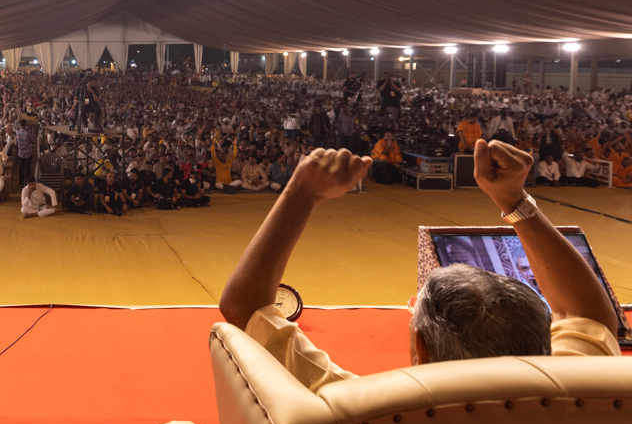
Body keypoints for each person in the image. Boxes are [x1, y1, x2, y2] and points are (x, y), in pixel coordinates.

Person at [217, 141, 619, 396]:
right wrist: (514, 199)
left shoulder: (358, 412)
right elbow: (585, 313)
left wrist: (300, 193)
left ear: (421, 350)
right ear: (542, 344)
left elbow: (243, 306)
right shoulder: (581, 396)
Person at [15, 118, 34, 186]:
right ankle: (28, 183)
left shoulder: (17, 132)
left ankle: (21, 183)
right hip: (28, 153)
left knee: (21, 169)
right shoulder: (28, 133)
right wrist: (32, 131)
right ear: (25, 124)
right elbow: (32, 140)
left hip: (20, 153)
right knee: (28, 169)